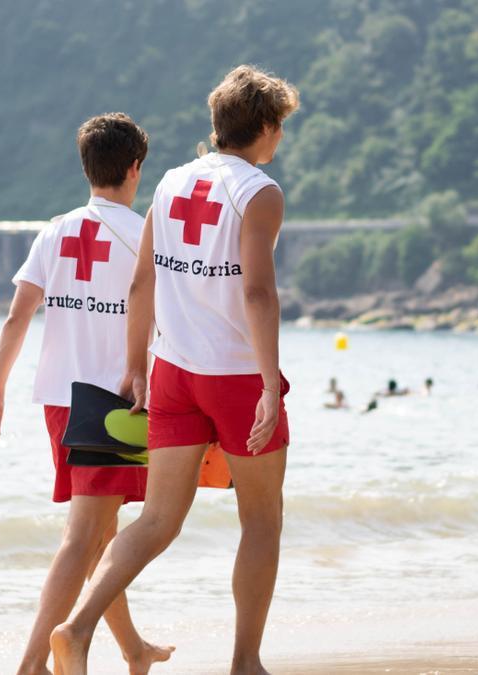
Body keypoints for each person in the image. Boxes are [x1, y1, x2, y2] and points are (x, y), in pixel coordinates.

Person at [52, 65, 300, 675]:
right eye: (282, 127)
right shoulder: (259, 191)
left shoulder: (168, 183)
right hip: (236, 373)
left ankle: (77, 629)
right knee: (262, 520)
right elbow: (258, 296)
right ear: (265, 126)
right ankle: (245, 662)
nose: (282, 139)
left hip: (173, 371)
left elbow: (144, 282)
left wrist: (137, 366)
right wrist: (270, 382)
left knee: (158, 519)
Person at [0, 112, 171, 675]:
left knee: (99, 532)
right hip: (111, 402)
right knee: (84, 536)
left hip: (60, 400)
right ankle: (33, 664)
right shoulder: (144, 236)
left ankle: (134, 650)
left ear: (86, 167)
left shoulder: (56, 229)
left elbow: (18, 317)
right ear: (135, 168)